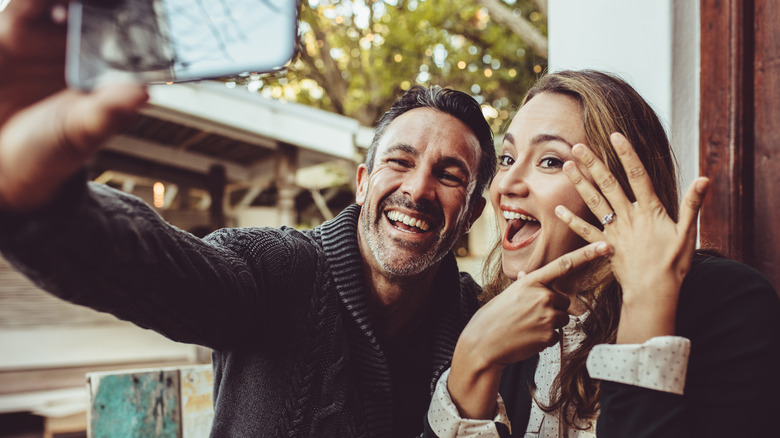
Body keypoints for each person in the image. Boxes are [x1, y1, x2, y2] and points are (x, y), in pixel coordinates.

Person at [0, 2, 612, 436]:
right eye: (399, 162)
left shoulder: (481, 322)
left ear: (474, 209)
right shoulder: (275, 269)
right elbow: (152, 269)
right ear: (363, 182)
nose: (418, 189)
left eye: (450, 175)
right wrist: (36, 194)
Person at [424, 70, 780, 437]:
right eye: (508, 158)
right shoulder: (503, 318)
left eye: (550, 161)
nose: (506, 185)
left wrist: (646, 303)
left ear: (619, 189)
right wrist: (474, 358)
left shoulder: (729, 301)